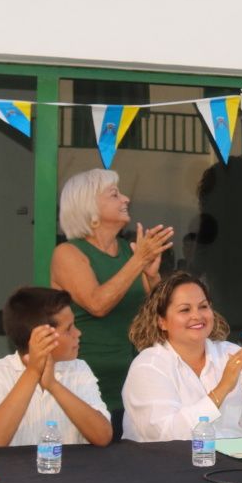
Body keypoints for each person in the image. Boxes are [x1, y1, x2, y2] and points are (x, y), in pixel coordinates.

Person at [50, 169, 173, 436]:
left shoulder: (130, 253)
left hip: (135, 386)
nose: (126, 198)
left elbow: (158, 316)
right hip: (88, 388)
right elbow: (97, 304)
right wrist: (138, 261)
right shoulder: (68, 253)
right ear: (89, 205)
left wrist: (152, 277)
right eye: (114, 194)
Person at [123, 271, 242, 442]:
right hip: (169, 465)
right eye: (185, 310)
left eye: (203, 306)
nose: (197, 316)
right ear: (162, 321)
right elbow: (166, 435)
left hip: (233, 463)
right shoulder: (148, 367)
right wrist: (224, 387)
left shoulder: (231, 353)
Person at [0, 286, 112, 448]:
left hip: (68, 471)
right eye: (68, 329)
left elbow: (103, 436)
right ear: (42, 338)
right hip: (11, 472)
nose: (78, 333)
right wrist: (33, 372)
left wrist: (53, 385)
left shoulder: (78, 368)